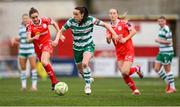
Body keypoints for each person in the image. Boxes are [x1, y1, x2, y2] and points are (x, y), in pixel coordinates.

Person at [58, 6, 119, 95]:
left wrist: (115, 34)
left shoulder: (90, 20)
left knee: (85, 63)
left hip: (88, 45)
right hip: (77, 48)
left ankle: (87, 85)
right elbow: (61, 31)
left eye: (76, 14)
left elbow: (106, 25)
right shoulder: (71, 21)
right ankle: (88, 78)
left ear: (82, 15)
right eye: (73, 14)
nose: (74, 16)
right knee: (80, 70)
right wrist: (57, 39)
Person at [106, 9, 143, 95]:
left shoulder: (124, 23)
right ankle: (135, 90)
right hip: (119, 53)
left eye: (114, 13)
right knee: (124, 74)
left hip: (128, 50)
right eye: (110, 13)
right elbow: (108, 41)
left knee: (125, 72)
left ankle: (137, 68)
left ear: (117, 15)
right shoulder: (108, 27)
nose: (112, 15)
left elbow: (134, 31)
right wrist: (108, 38)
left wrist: (125, 39)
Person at [26, 7, 60, 90]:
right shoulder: (29, 26)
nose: (35, 19)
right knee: (44, 64)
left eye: (36, 16)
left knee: (44, 61)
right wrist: (34, 38)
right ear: (31, 18)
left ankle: (55, 81)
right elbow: (28, 40)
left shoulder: (45, 20)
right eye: (33, 17)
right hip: (38, 48)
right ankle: (53, 82)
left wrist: (58, 35)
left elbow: (54, 23)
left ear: (39, 15)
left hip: (47, 44)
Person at [11, 13, 38, 91]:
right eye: (24, 18)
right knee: (23, 69)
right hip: (22, 50)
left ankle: (34, 86)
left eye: (26, 18)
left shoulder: (32, 26)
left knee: (33, 67)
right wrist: (14, 39)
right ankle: (23, 86)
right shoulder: (20, 27)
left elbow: (34, 37)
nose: (25, 20)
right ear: (22, 19)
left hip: (30, 49)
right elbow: (21, 38)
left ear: (29, 19)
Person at [154, 16, 176, 94]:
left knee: (167, 70)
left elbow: (169, 41)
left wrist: (159, 40)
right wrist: (160, 40)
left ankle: (173, 88)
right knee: (156, 68)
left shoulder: (167, 29)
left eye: (162, 21)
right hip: (161, 52)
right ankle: (169, 83)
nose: (160, 22)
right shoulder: (161, 29)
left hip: (167, 52)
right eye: (159, 21)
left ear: (165, 21)